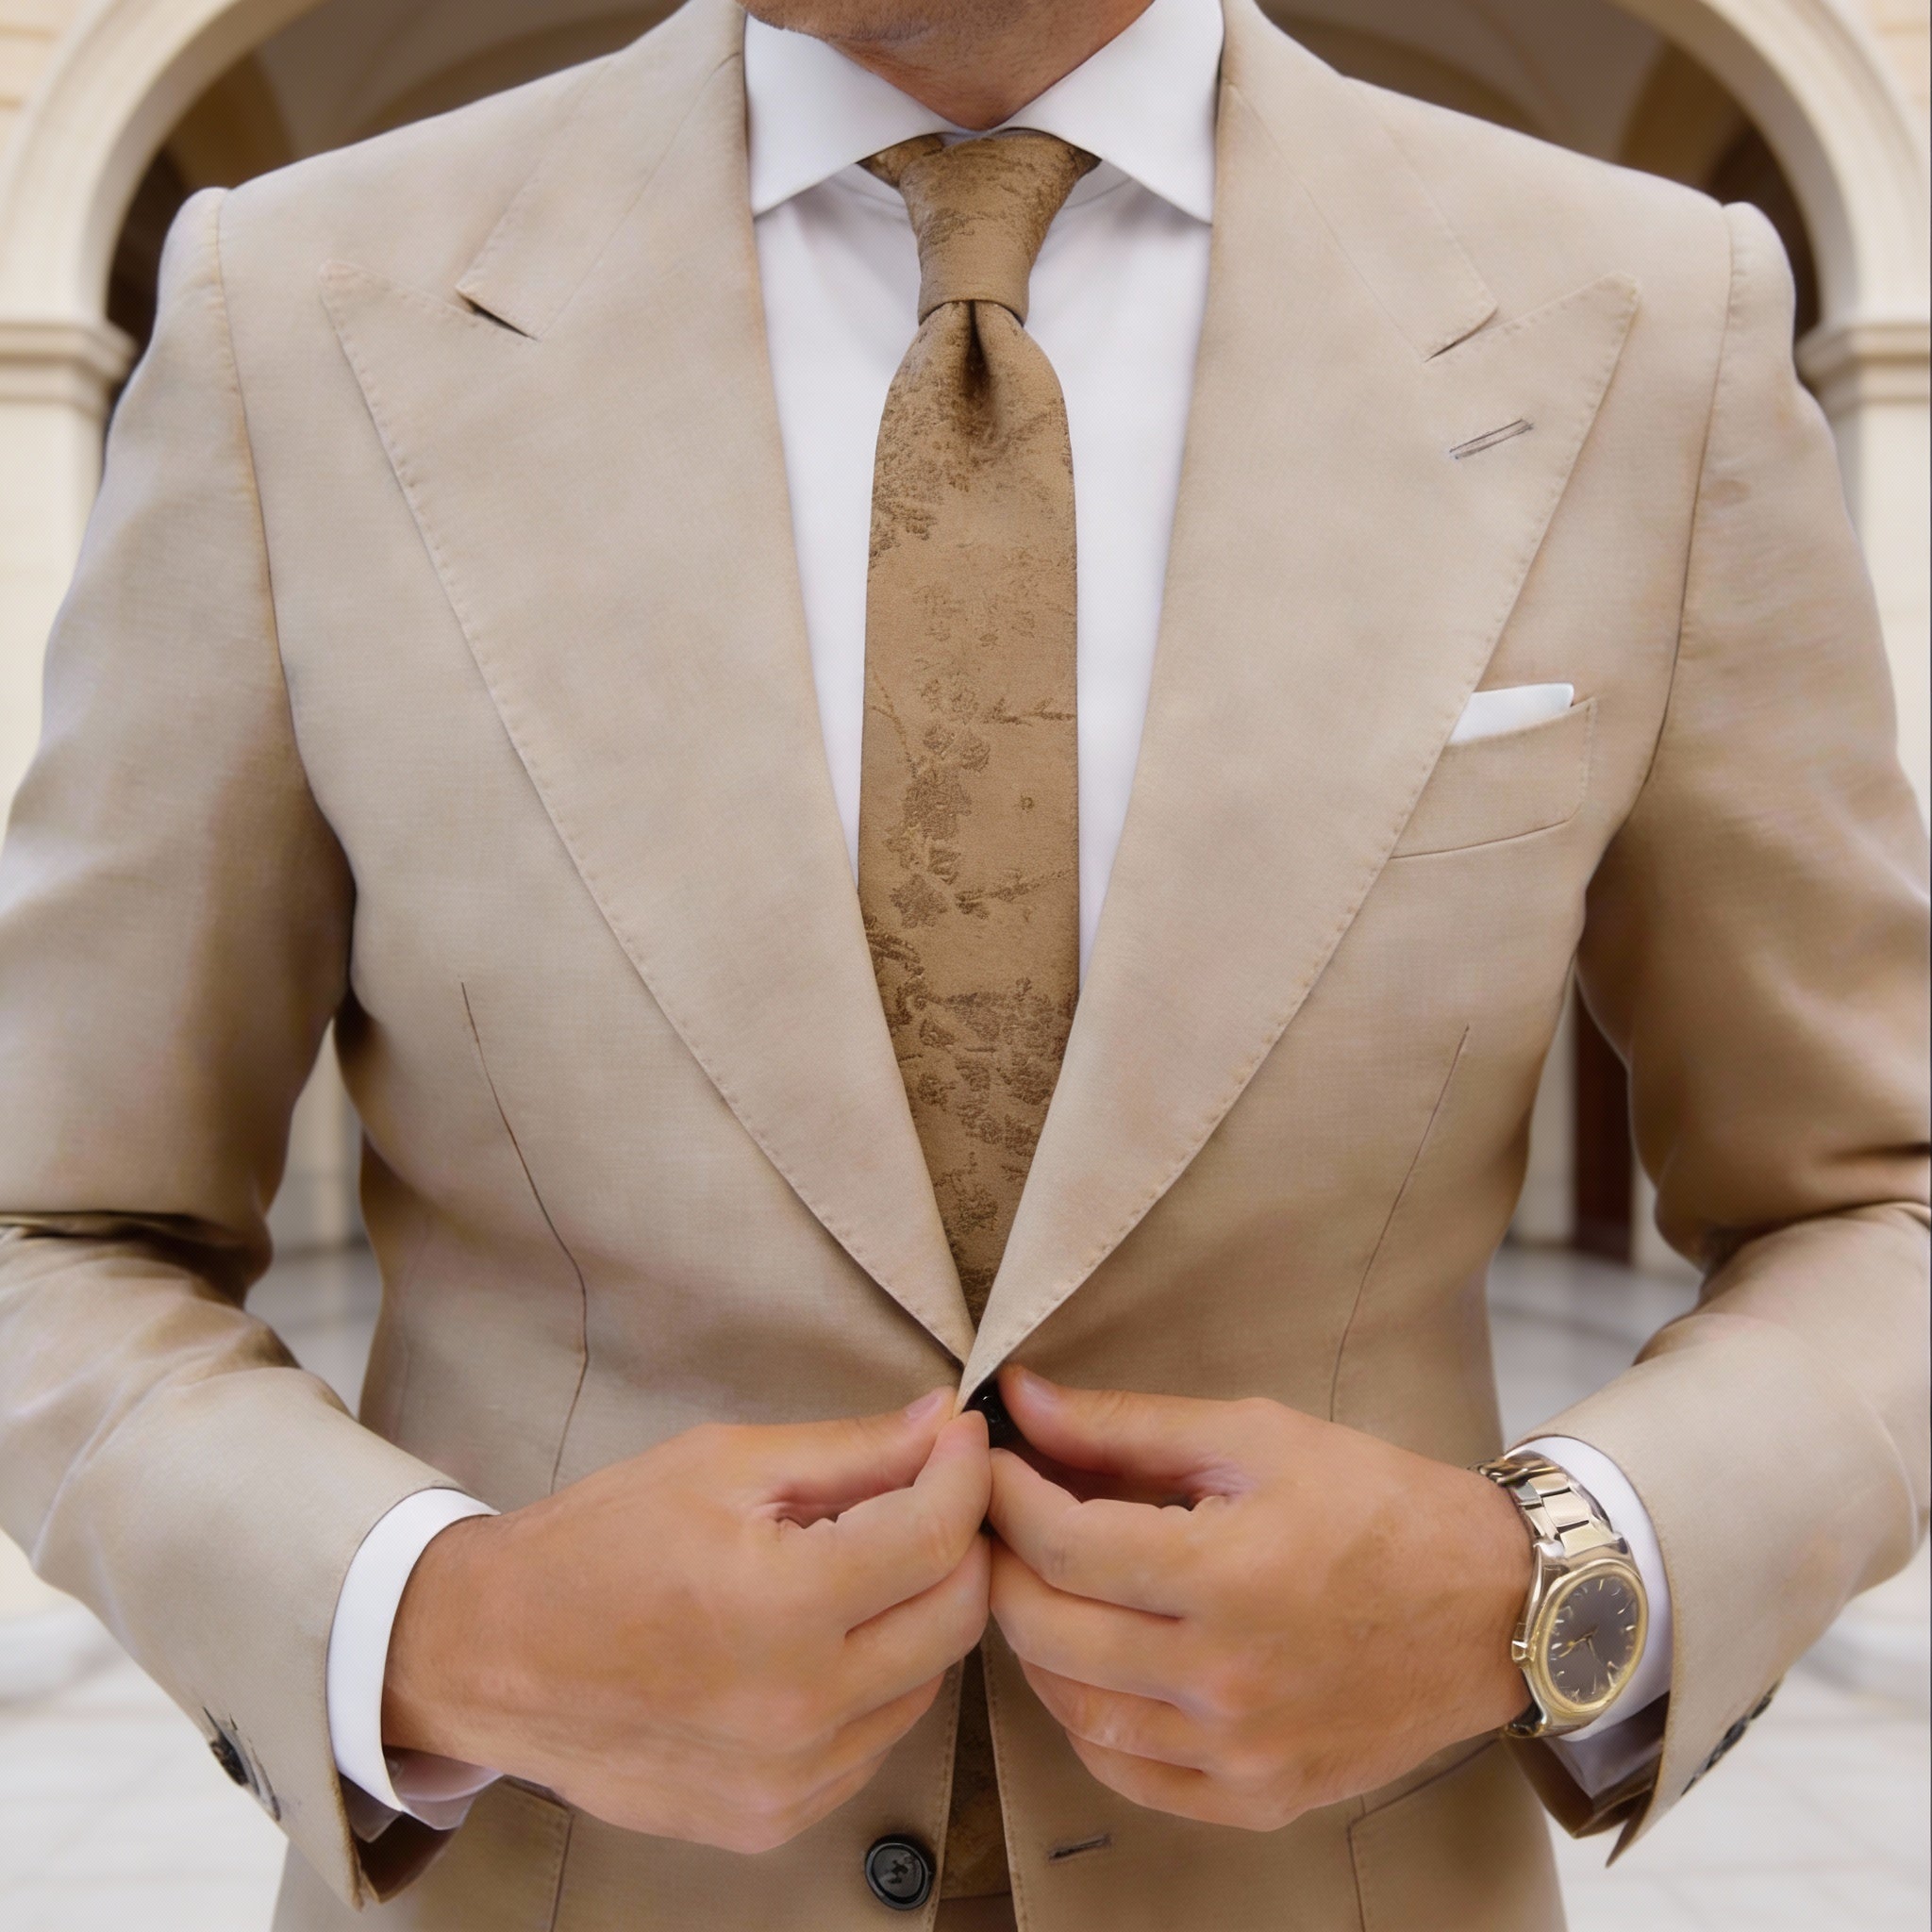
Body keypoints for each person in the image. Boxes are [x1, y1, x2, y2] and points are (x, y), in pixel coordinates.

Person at [0, 0, 1924, 1924]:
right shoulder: (300, 306)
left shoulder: (1640, 315)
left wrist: (1543, 1587)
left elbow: (1879, 1201)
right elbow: (51, 1226)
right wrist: (440, 1625)